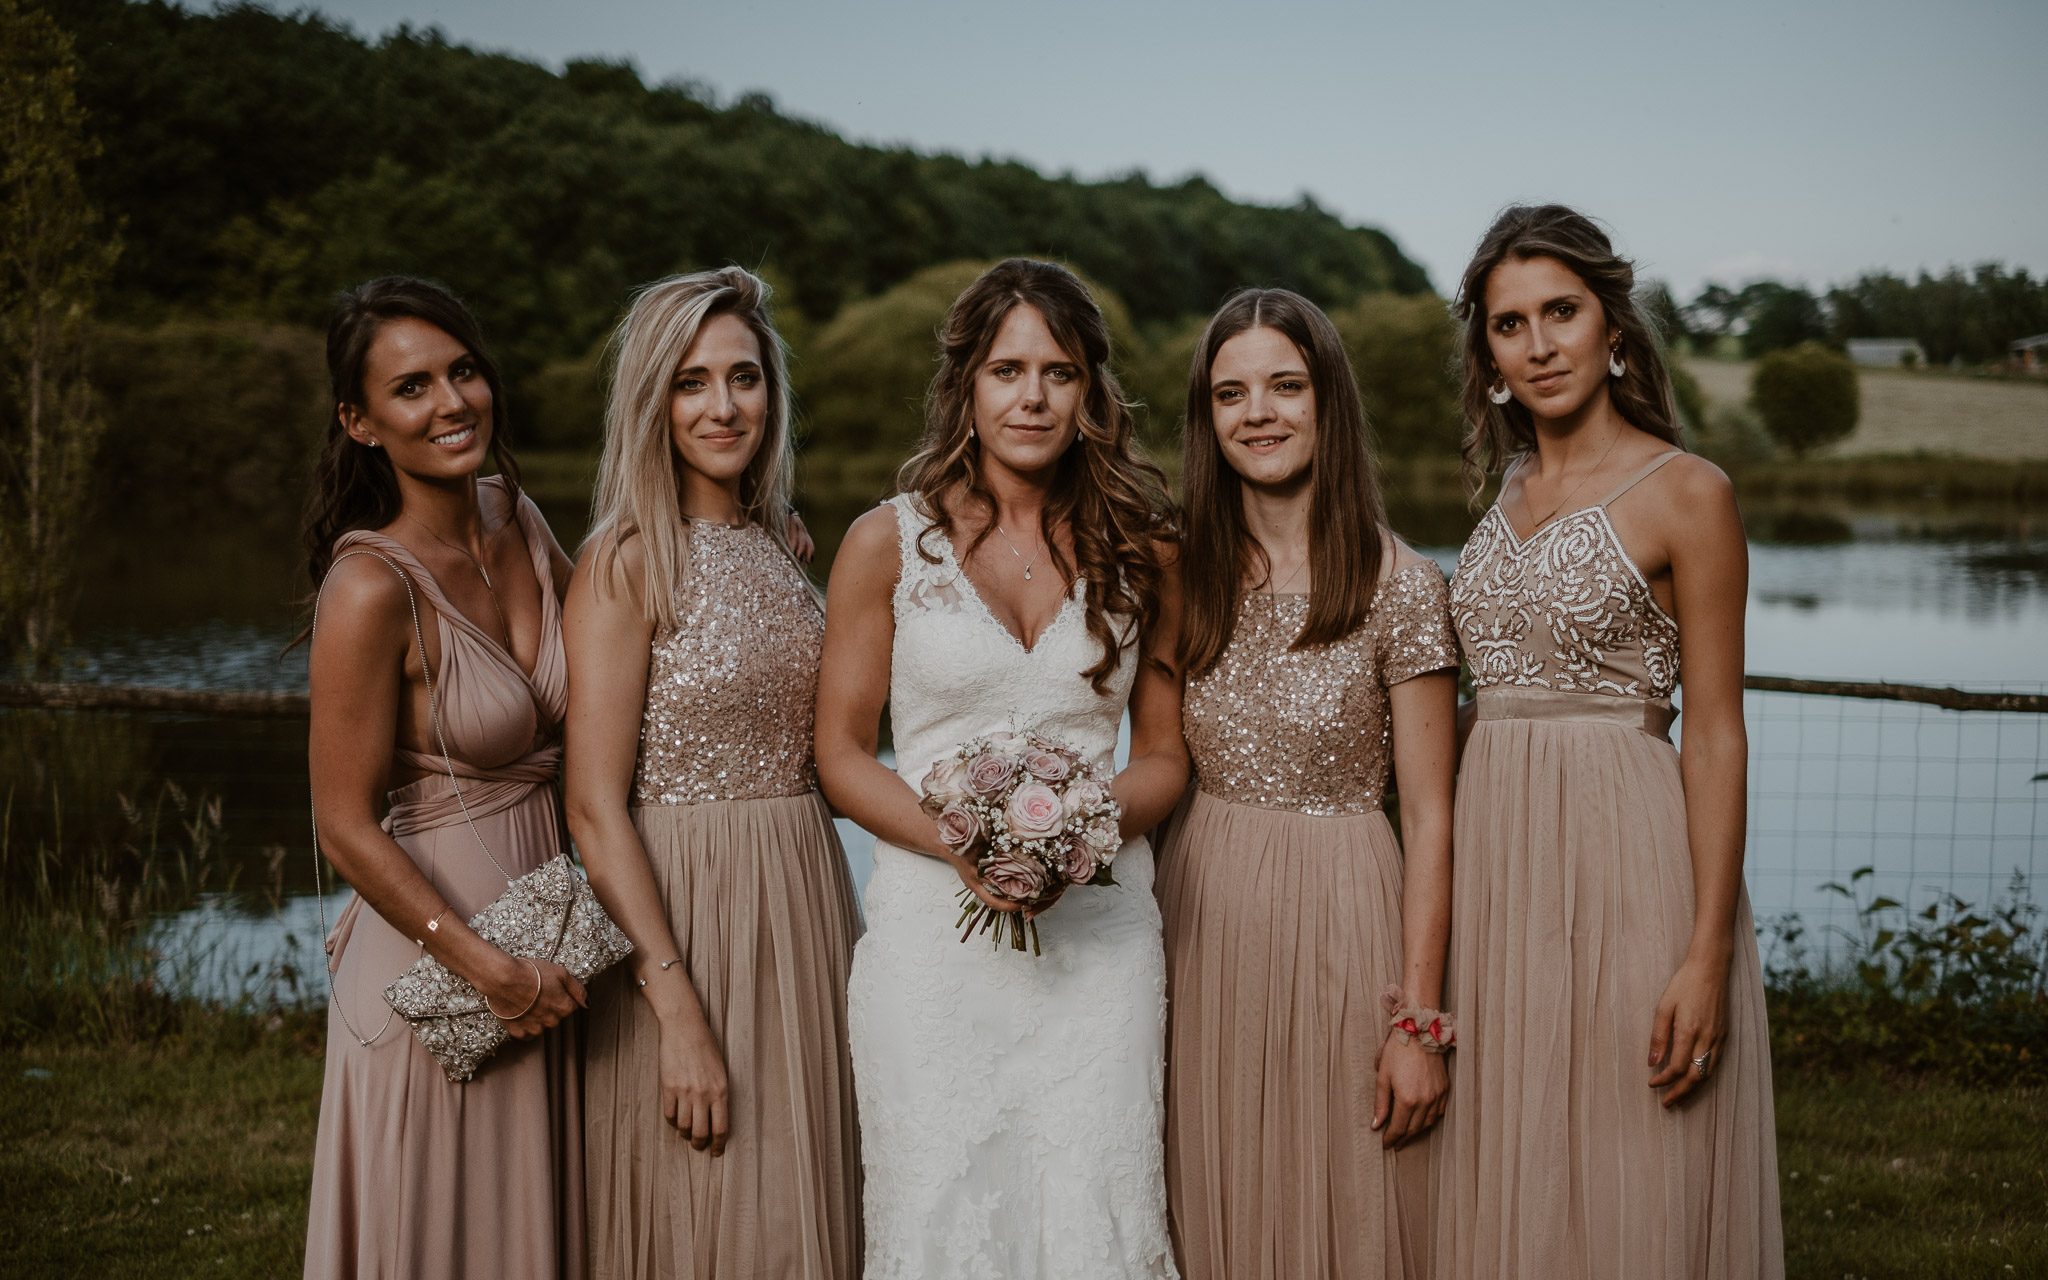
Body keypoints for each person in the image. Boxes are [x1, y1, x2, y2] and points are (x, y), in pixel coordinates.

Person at [814, 258, 1187, 1278]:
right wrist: (960, 838)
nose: (1031, 396)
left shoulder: (1144, 548)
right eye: (1006, 369)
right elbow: (841, 753)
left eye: (1057, 372)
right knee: (940, 1208)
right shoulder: (882, 544)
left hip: (1102, 936)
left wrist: (1076, 835)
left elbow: (1162, 753)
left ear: (1088, 393)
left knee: (1094, 1207)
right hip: (931, 942)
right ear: (965, 388)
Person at [1436, 205, 1784, 1279]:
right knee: (1520, 1145)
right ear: (1486, 353)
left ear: (1610, 327)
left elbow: (1716, 734)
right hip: (1501, 865)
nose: (1537, 344)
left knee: (1634, 1143)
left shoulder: (1689, 492)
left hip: (1628, 855)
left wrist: (1705, 947)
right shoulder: (1497, 497)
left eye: (1559, 312)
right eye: (1508, 324)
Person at [564, 267, 862, 1279]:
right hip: (683, 909)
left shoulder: (780, 543)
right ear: (653, 397)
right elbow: (593, 805)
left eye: (743, 376)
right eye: (691, 381)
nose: (723, 405)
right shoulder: (624, 559)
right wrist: (676, 1007)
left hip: (805, 896)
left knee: (806, 1190)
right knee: (707, 1204)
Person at [1155, 288, 1457, 1280]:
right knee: (1207, 1182)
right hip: (1199, 915)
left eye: (1284, 385)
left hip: (1343, 911)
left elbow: (1431, 814)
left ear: (1327, 399)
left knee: (1341, 1185)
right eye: (1231, 392)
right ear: (1206, 417)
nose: (1259, 413)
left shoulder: (1398, 583)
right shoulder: (1175, 573)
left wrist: (1416, 1018)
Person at [302, 276, 586, 1279]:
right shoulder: (368, 584)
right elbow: (342, 826)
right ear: (360, 420)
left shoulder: (519, 518)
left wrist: (747, 540)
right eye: (411, 387)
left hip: (548, 939)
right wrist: (486, 969)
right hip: (439, 966)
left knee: (528, 1235)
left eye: (462, 370)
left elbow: (633, 614)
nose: (451, 401)